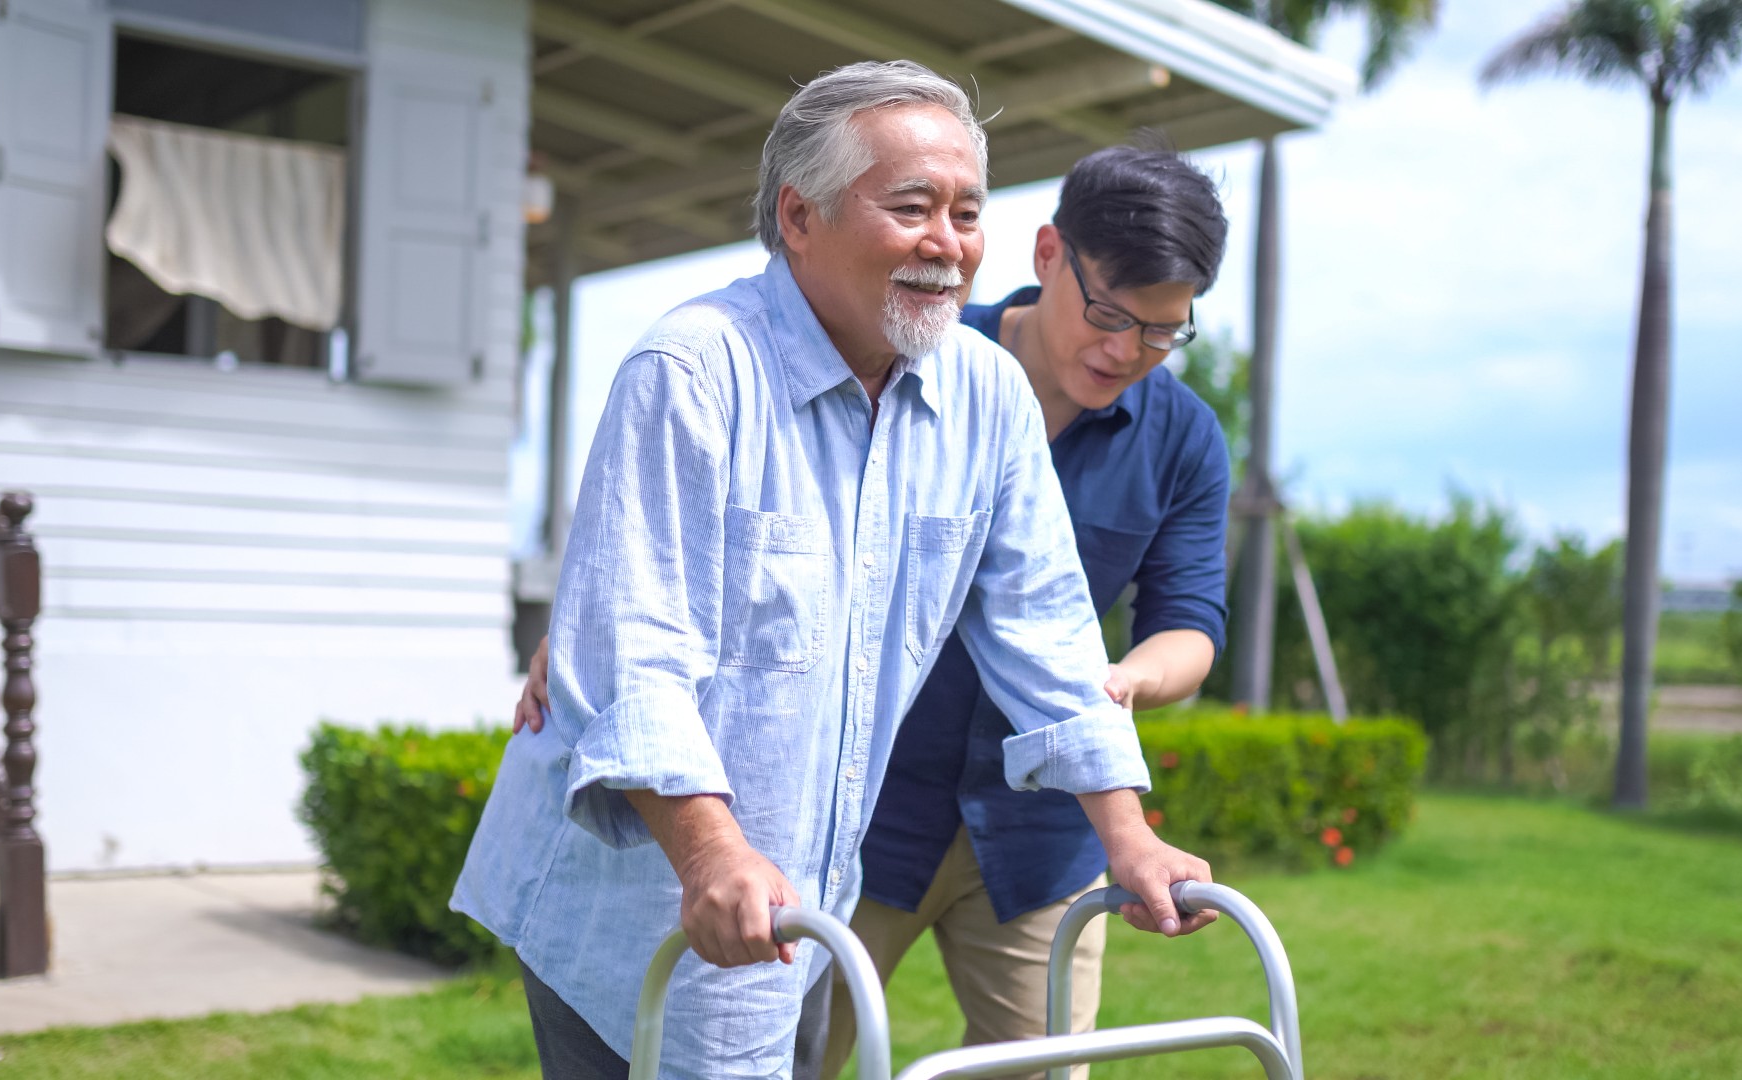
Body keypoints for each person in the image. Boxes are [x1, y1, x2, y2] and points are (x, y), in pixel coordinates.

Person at [453, 61, 1215, 1080]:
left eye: (966, 211)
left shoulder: (985, 395)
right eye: (911, 207)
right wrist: (712, 850)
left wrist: (1130, 836)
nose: (947, 243)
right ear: (799, 217)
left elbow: (1048, 627)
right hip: (636, 895)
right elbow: (639, 656)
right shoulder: (692, 370)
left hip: (807, 894)